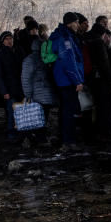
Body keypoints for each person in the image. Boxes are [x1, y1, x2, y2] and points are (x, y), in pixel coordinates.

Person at [47, 12, 86, 151]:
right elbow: (69, 62)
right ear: (70, 23)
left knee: (65, 110)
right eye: (76, 22)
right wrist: (77, 81)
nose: (78, 25)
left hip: (62, 79)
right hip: (67, 81)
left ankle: (65, 138)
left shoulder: (63, 36)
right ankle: (69, 141)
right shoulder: (66, 39)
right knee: (69, 111)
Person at [20, 35, 56, 145]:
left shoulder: (29, 60)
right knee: (41, 117)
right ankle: (40, 139)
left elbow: (26, 78)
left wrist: (27, 94)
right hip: (45, 93)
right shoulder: (45, 58)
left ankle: (37, 138)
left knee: (37, 118)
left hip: (37, 94)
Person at [84, 22, 111, 141]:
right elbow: (104, 64)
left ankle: (95, 131)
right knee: (105, 106)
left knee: (96, 106)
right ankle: (105, 133)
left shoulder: (86, 39)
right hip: (102, 79)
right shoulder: (98, 43)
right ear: (102, 34)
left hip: (91, 78)